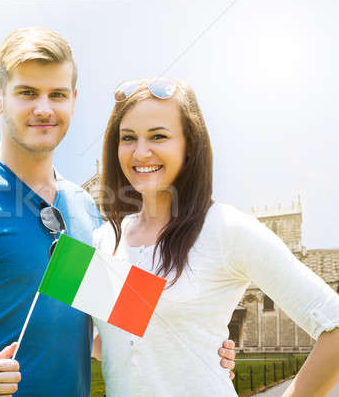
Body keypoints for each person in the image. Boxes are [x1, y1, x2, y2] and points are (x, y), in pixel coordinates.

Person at [0, 28, 236, 397]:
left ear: (73, 100)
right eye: (27, 93)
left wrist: (201, 348)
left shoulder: (83, 207)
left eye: (56, 94)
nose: (44, 108)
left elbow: (102, 331)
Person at [90, 77, 339, 396]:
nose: (141, 152)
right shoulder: (105, 239)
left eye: (158, 136)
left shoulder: (225, 229)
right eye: (128, 138)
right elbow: (120, 342)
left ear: (190, 145)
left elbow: (333, 324)